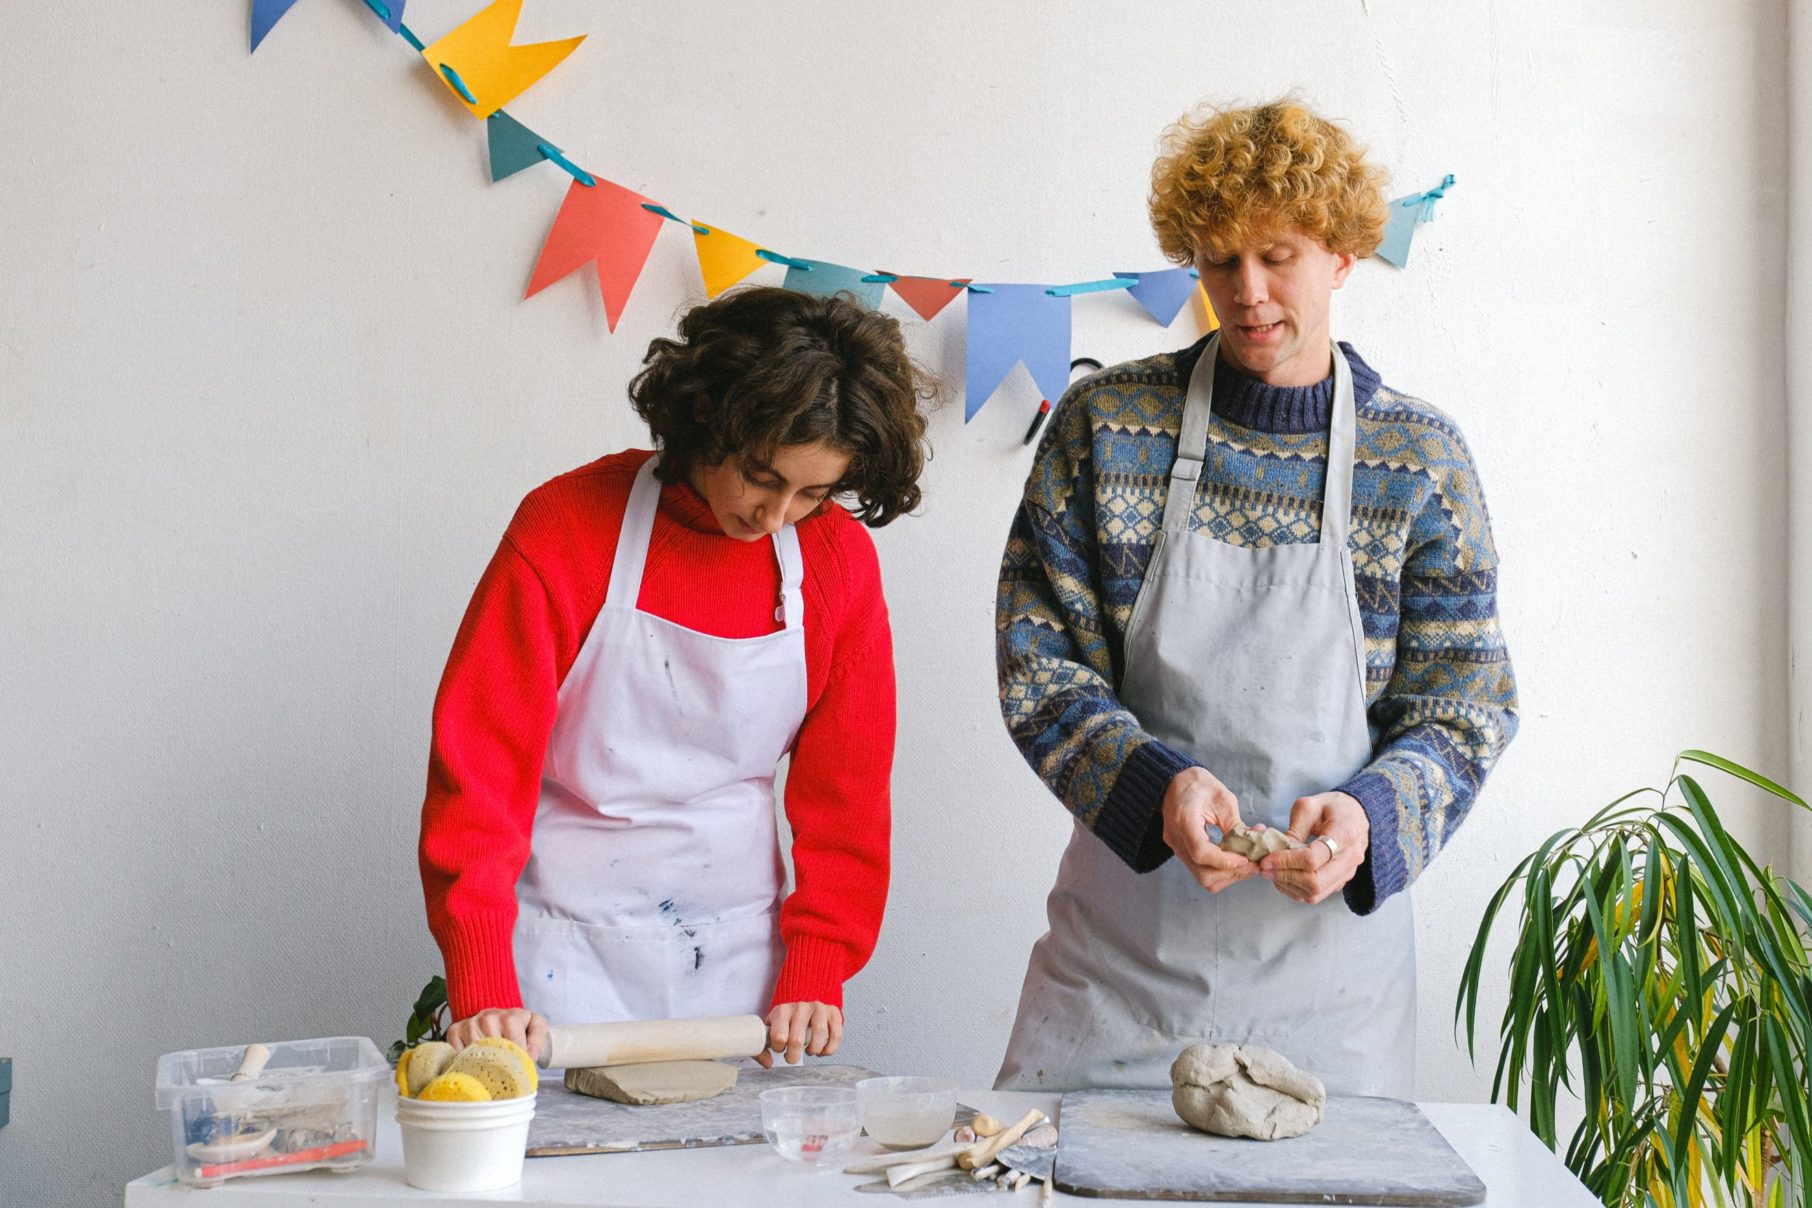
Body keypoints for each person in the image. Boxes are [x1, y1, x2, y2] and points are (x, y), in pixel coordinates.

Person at [993, 98, 1518, 1096]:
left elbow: (1467, 701)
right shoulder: (1108, 426)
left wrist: (1369, 815)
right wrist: (1158, 786)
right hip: (1120, 970)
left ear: (1344, 254)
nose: (1247, 291)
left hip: (1330, 997)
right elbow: (1038, 662)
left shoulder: (1419, 461)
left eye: (1278, 255)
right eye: (1219, 259)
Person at [418, 286, 933, 1067]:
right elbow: (479, 772)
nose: (776, 515)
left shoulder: (835, 563)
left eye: (813, 493)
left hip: (740, 973)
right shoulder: (564, 531)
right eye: (762, 476)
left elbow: (847, 795)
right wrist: (483, 976)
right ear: (705, 423)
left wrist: (820, 963)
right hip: (554, 964)